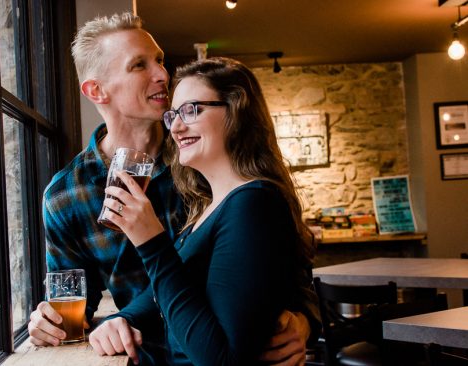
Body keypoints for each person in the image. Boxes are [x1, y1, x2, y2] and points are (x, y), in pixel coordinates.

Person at [26, 12, 320, 365]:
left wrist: (304, 320)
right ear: (96, 90)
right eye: (139, 65)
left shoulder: (206, 154)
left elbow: (289, 264)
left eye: (160, 60)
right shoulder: (65, 195)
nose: (162, 75)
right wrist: (49, 324)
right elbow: (74, 306)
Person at [90, 56, 317, 365]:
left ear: (236, 111)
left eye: (191, 110)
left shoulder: (253, 203)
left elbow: (222, 359)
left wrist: (151, 242)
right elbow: (169, 291)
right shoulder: (208, 206)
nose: (177, 126)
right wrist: (122, 319)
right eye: (173, 115)